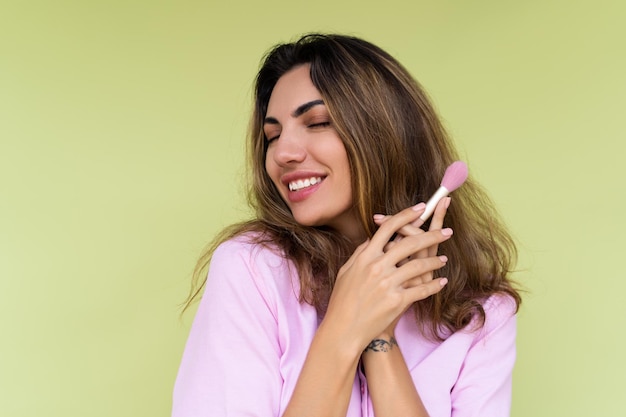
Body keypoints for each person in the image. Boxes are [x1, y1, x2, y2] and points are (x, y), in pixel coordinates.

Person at [173, 33, 521, 417]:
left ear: (384, 134)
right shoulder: (253, 270)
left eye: (318, 122)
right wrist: (344, 324)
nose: (283, 153)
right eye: (273, 136)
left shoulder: (482, 314)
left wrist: (378, 336)